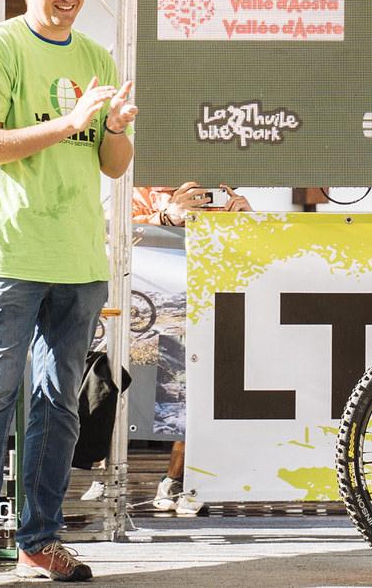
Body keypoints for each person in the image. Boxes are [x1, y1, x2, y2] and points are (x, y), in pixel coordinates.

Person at [0, 0, 137, 585]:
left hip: (79, 257)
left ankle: (39, 541)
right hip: (10, 251)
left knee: (59, 405)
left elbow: (114, 165)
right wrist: (68, 121)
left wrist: (110, 127)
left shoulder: (96, 57)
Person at [127, 184, 251, 515]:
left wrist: (248, 221)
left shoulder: (220, 190)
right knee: (173, 400)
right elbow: (115, 232)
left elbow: (249, 252)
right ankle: (133, 478)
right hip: (154, 315)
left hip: (217, 305)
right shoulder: (144, 188)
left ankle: (182, 479)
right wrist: (166, 216)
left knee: (206, 394)